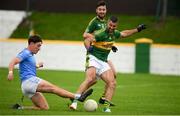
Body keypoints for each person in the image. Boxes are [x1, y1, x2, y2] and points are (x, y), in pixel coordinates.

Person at [70, 16, 146, 112]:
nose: (111, 27)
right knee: (90, 79)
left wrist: (137, 29)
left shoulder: (115, 34)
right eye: (110, 25)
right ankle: (74, 102)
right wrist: (89, 48)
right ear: (107, 24)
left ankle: (106, 107)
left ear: (116, 26)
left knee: (112, 82)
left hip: (103, 61)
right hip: (93, 58)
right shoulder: (100, 33)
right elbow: (86, 39)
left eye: (114, 26)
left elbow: (124, 33)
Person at [7, 35, 93, 110]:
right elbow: (13, 62)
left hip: (26, 86)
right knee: (53, 88)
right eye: (38, 46)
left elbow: (26, 67)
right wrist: (10, 72)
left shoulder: (29, 54)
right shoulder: (25, 53)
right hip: (29, 81)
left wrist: (37, 66)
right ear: (31, 44)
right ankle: (78, 97)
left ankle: (19, 108)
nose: (39, 48)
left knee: (44, 108)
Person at [83, 0, 117, 106]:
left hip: (104, 54)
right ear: (96, 10)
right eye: (100, 9)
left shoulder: (105, 22)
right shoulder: (94, 22)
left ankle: (103, 97)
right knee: (92, 80)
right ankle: (78, 95)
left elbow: (106, 37)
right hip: (95, 54)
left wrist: (111, 45)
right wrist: (90, 47)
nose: (102, 11)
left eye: (104, 9)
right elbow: (85, 35)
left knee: (114, 75)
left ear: (106, 10)